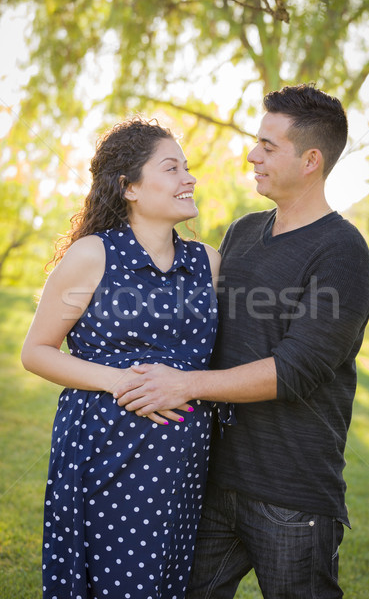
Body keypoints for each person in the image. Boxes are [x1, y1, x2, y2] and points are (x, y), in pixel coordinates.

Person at [113, 84, 369, 598]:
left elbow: (294, 369)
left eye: (268, 146)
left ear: (311, 160)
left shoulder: (342, 251)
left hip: (292, 495)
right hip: (213, 480)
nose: (252, 155)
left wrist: (184, 386)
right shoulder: (242, 232)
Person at [21, 116, 222, 599]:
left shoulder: (208, 262)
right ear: (129, 187)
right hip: (106, 450)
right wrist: (121, 382)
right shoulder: (93, 255)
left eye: (187, 167)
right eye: (172, 168)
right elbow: (37, 352)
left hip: (184, 464)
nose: (189, 178)